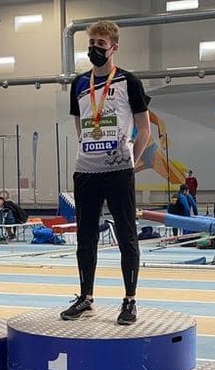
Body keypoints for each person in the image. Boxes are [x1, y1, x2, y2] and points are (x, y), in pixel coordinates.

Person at [60, 20, 151, 325]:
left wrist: (130, 161)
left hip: (118, 172)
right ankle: (86, 297)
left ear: (114, 47)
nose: (95, 49)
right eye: (92, 43)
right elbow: (80, 123)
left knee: (127, 236)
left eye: (101, 44)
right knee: (86, 238)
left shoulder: (129, 82)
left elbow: (145, 129)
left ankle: (129, 300)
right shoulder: (78, 83)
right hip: (86, 172)